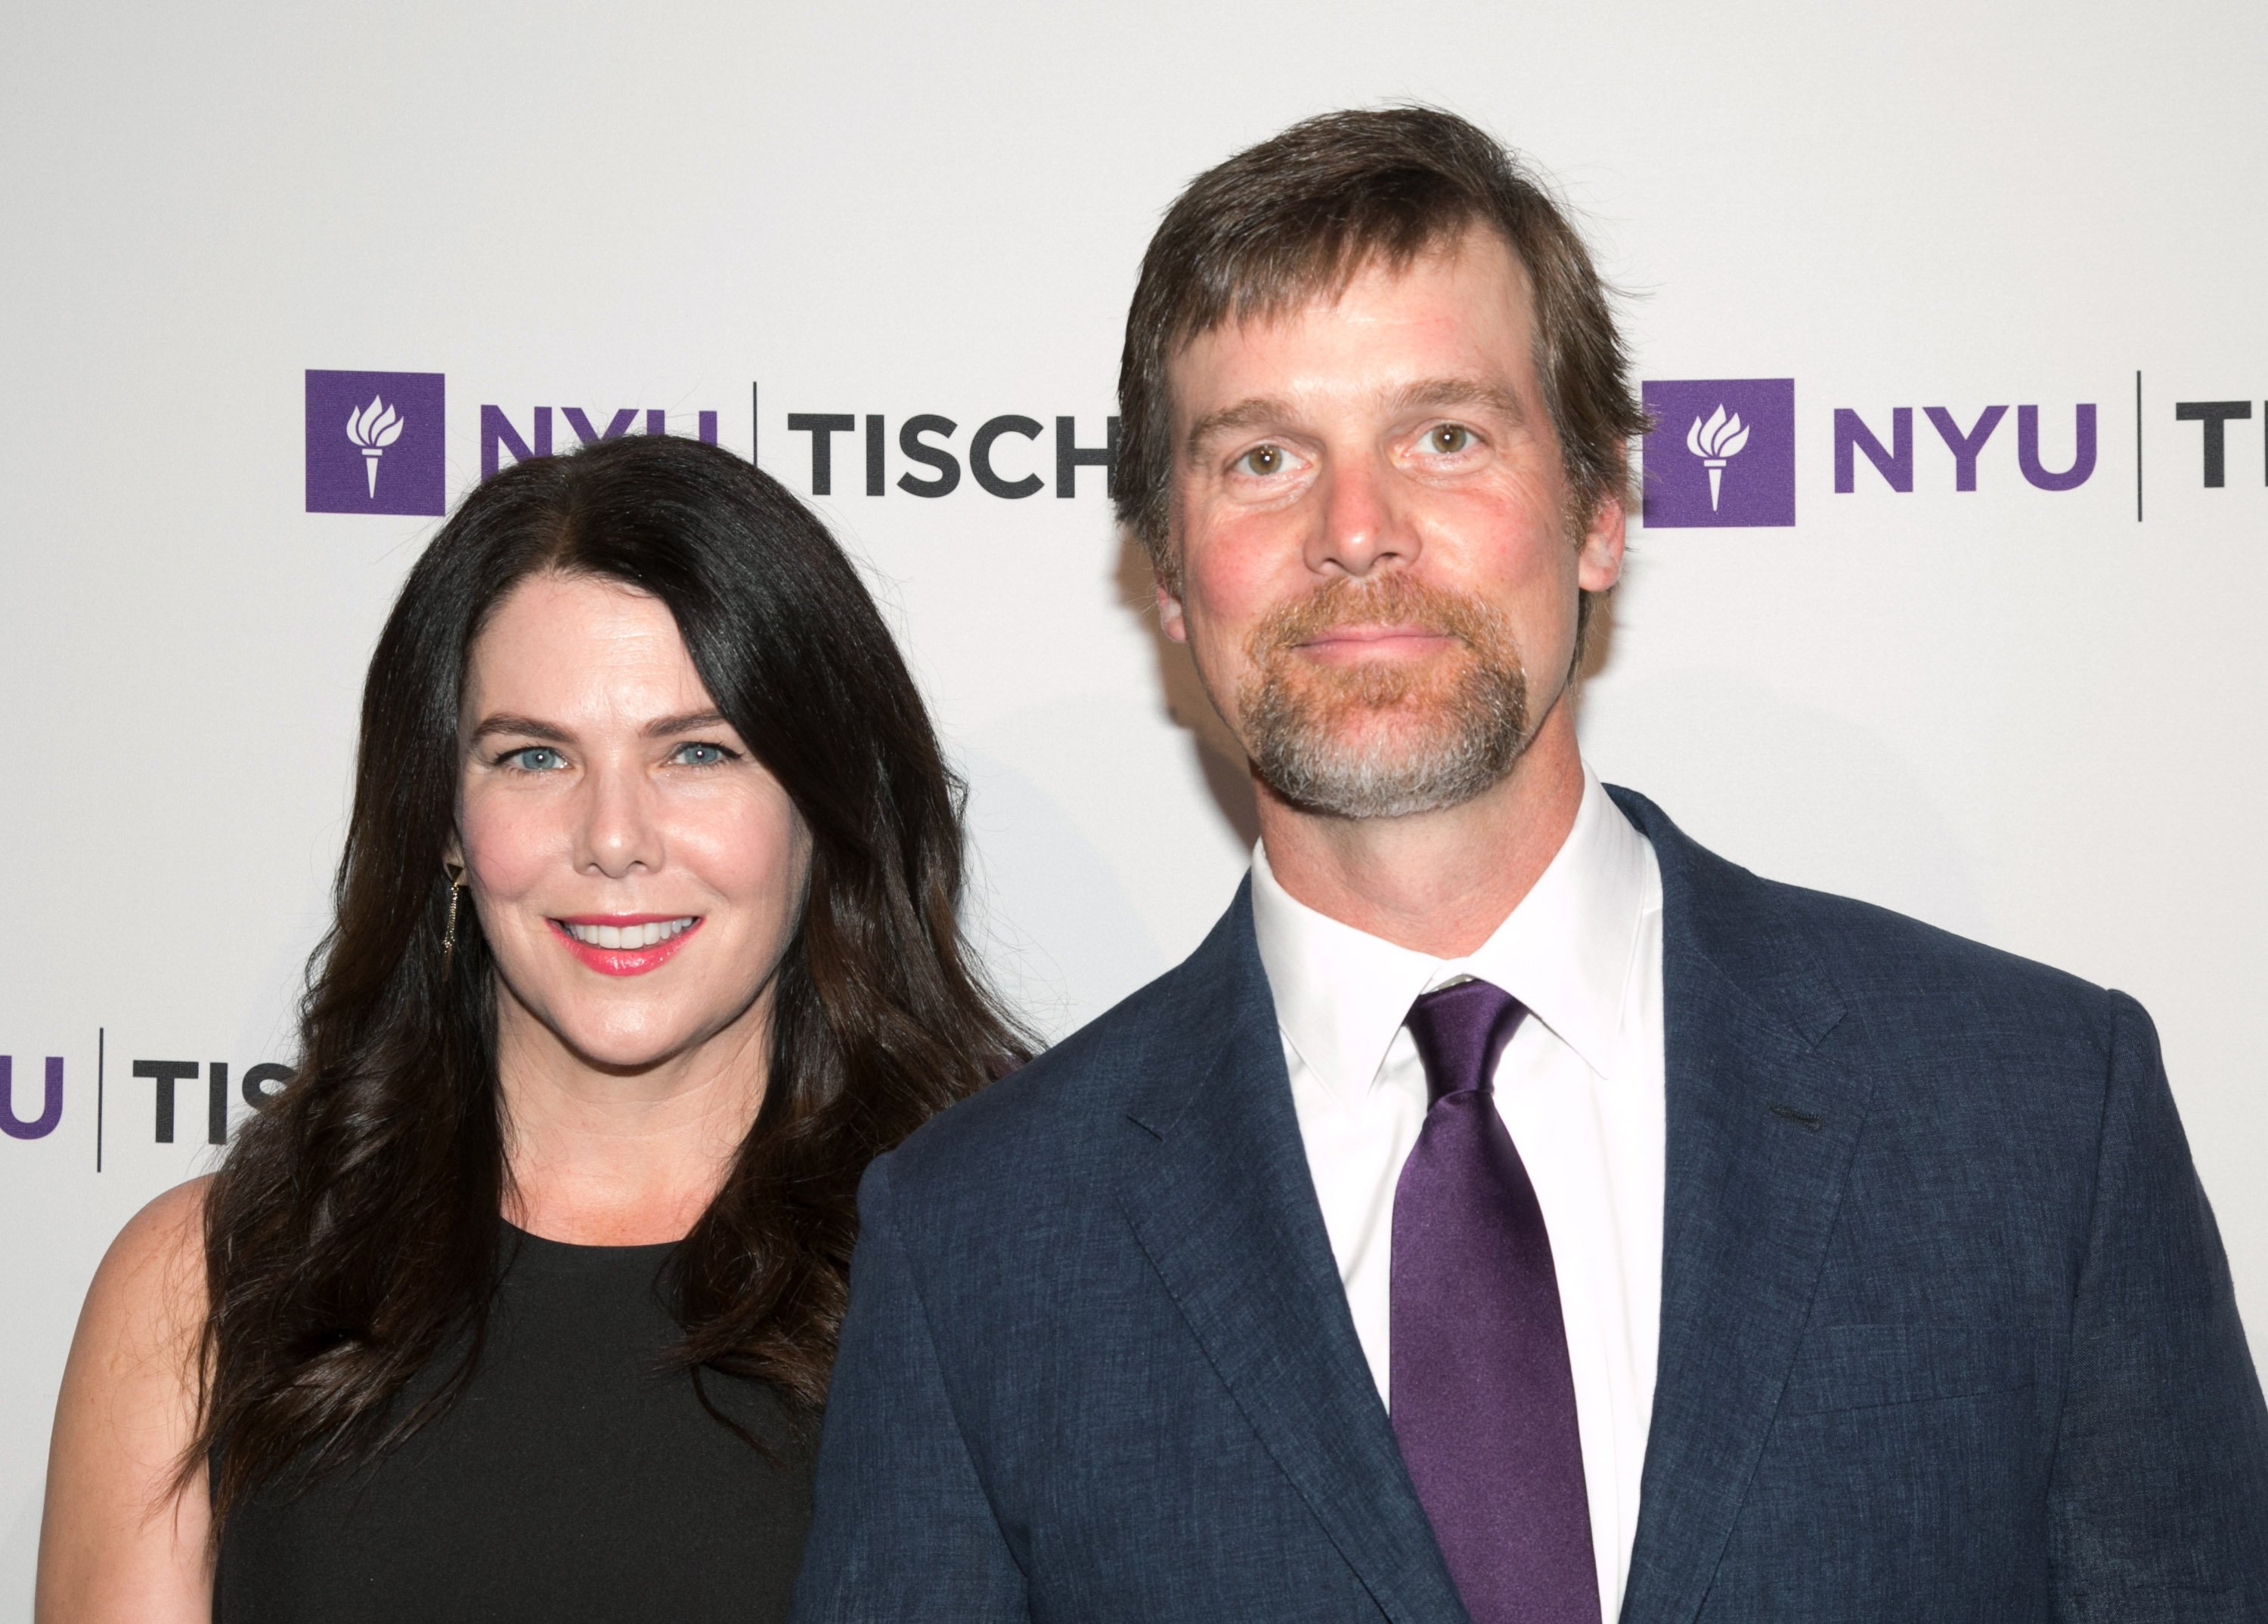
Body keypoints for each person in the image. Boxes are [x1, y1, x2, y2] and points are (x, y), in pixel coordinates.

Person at [792, 107, 2268, 1623]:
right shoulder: (980, 1246)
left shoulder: (2032, 1119)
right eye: (1261, 458)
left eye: (1446, 436)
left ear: (1602, 512)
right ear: (1167, 574)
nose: (1356, 532)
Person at [37, 432, 1025, 1623]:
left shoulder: (1006, 1274)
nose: (613, 836)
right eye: (535, 755)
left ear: (823, 805)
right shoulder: (206, 1285)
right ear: (446, 822)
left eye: (699, 752)